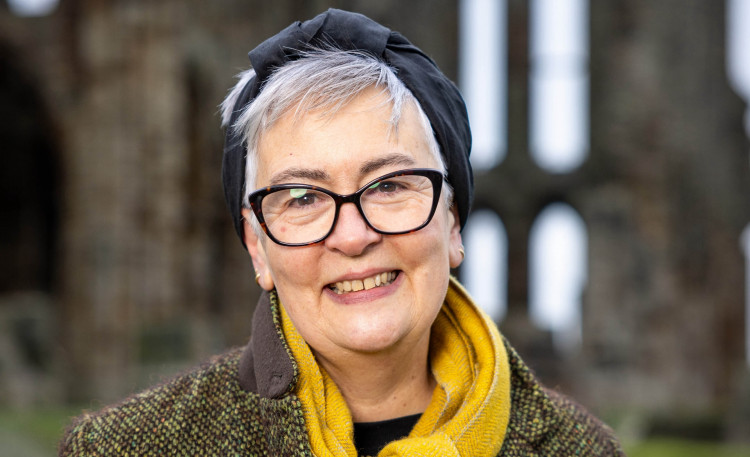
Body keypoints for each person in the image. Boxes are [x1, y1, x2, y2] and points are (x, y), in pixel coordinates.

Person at [59, 9, 624, 457]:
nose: (352, 237)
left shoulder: (581, 451)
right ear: (258, 246)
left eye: (389, 185)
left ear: (451, 222)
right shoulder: (126, 450)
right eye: (303, 197)